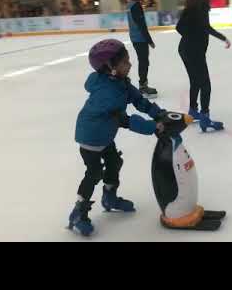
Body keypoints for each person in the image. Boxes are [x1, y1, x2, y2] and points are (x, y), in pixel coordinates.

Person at [68, 39, 167, 236]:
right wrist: (153, 127)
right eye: (125, 63)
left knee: (114, 163)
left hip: (105, 135)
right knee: (94, 173)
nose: (130, 65)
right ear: (110, 68)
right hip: (90, 138)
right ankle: (78, 212)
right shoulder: (108, 93)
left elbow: (139, 100)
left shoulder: (120, 83)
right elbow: (125, 120)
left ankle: (109, 198)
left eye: (128, 60)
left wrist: (159, 114)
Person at [176, 0, 231, 132]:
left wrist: (191, 36)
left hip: (184, 49)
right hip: (194, 51)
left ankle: (193, 111)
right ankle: (205, 118)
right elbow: (205, 27)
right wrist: (222, 38)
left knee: (195, 81)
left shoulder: (192, 5)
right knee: (205, 84)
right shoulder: (202, 5)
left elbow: (180, 27)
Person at [126, 0, 157, 98]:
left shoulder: (130, 4)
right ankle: (143, 86)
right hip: (140, 38)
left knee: (143, 61)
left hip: (134, 37)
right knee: (144, 62)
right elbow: (141, 24)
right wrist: (149, 40)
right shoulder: (136, 5)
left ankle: (143, 85)